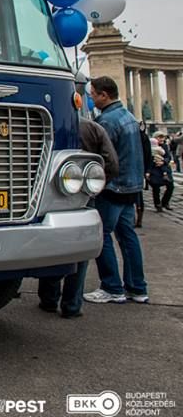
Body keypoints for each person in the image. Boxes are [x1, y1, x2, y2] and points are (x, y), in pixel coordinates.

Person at [37, 117, 119, 318]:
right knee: (80, 253)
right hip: (82, 192)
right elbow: (111, 163)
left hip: (49, 192)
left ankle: (49, 298)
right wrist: (92, 186)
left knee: (52, 243)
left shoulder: (52, 122)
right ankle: (72, 304)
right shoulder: (92, 127)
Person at [84, 76, 148, 304]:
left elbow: (104, 158)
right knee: (128, 237)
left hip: (113, 187)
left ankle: (112, 287)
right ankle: (137, 288)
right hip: (131, 186)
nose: (91, 98)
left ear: (104, 95)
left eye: (93, 94)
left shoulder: (107, 121)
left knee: (101, 236)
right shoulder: (130, 117)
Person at [146, 147, 173, 213]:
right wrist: (148, 172)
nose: (161, 139)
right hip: (155, 172)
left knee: (170, 186)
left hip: (165, 171)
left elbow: (168, 157)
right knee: (156, 188)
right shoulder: (151, 148)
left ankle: (165, 202)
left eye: (162, 137)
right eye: (160, 137)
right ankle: (158, 205)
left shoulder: (165, 146)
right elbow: (148, 161)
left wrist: (163, 161)